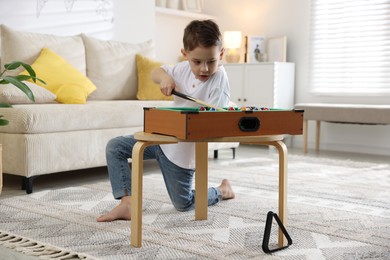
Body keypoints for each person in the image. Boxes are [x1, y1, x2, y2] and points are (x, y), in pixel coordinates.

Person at [97, 19, 235, 222]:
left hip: (180, 154)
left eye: (211, 61)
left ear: (221, 54)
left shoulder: (219, 80)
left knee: (183, 204)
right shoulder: (182, 68)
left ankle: (222, 191)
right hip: (160, 140)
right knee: (115, 147)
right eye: (197, 62)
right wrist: (164, 78)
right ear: (185, 54)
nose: (204, 68)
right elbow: (156, 72)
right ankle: (127, 203)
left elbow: (211, 124)